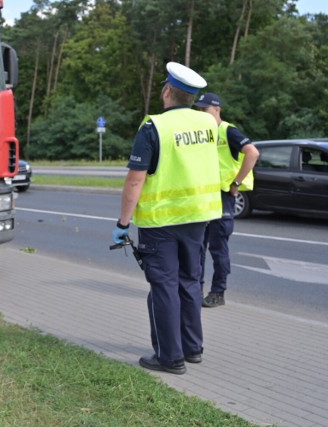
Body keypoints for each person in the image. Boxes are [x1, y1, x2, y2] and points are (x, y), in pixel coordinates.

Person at [112, 62, 222, 375]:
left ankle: (169, 358)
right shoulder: (209, 124)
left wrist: (122, 224)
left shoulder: (153, 127)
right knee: (190, 282)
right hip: (199, 217)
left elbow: (135, 181)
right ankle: (192, 348)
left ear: (167, 92)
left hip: (160, 223)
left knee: (164, 286)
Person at [194, 93, 260, 308]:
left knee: (218, 248)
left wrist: (236, 183)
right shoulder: (202, 133)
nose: (201, 113)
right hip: (203, 196)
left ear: (216, 109)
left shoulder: (227, 131)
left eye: (205, 110)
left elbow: (252, 153)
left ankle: (218, 292)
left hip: (223, 197)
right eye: (199, 109)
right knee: (197, 247)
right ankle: (195, 290)